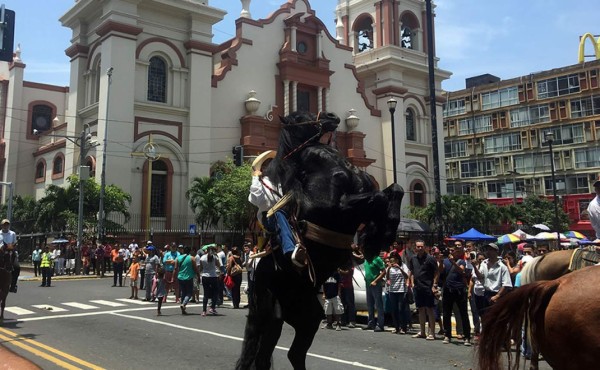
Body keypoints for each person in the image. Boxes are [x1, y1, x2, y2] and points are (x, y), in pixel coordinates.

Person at [248, 150, 307, 268]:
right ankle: (289, 249)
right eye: (268, 164)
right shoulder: (259, 183)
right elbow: (257, 200)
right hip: (269, 218)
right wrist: (255, 178)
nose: (273, 166)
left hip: (288, 216)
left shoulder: (281, 182)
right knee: (278, 213)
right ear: (263, 168)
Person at [440, 244, 472, 346]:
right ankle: (447, 334)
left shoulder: (461, 261)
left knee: (463, 313)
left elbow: (461, 270)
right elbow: (441, 272)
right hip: (448, 290)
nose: (452, 252)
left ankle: (467, 336)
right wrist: (440, 261)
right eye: (451, 250)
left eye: (454, 250)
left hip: (459, 290)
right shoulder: (445, 261)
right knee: (446, 313)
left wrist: (453, 262)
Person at [472, 242, 513, 319]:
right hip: (486, 293)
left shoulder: (502, 267)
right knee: (484, 317)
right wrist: (474, 267)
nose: (488, 251)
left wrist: (497, 296)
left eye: (491, 250)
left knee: (496, 318)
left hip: (497, 294)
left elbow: (506, 284)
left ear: (496, 252)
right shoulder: (484, 263)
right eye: (488, 249)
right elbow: (480, 277)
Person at [408, 240, 439, 341]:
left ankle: (432, 333)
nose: (420, 248)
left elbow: (436, 272)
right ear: (415, 248)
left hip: (428, 287)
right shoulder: (413, 258)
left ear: (425, 247)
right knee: (420, 309)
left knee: (430, 309)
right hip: (418, 287)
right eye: (418, 247)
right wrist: (412, 283)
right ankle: (422, 332)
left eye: (421, 246)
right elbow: (411, 271)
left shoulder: (430, 259)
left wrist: (434, 285)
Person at [386, 253, 410, 334]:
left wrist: (399, 268)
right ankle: (396, 327)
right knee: (394, 309)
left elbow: (407, 276)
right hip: (392, 290)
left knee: (401, 309)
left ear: (398, 259)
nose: (393, 261)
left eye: (395, 259)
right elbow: (387, 277)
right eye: (391, 260)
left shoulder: (403, 265)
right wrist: (389, 268)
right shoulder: (390, 267)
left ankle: (403, 327)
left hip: (401, 290)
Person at [363, 250, 386, 332]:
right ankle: (371, 323)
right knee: (369, 305)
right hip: (368, 284)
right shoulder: (366, 259)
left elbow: (384, 271)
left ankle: (380, 325)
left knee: (378, 305)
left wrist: (376, 281)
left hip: (375, 284)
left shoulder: (377, 259)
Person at [199, 245, 222, 316]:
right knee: (215, 292)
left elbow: (201, 268)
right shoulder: (215, 257)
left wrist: (199, 274)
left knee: (205, 294)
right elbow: (219, 266)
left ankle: (204, 311)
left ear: (206, 251)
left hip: (205, 276)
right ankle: (212, 307)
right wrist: (220, 273)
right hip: (213, 276)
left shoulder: (202, 258)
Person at [175, 246, 198, 314]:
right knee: (189, 293)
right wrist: (198, 275)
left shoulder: (178, 258)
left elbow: (175, 268)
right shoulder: (192, 258)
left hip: (180, 277)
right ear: (190, 251)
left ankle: (183, 309)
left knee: (183, 292)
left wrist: (175, 277)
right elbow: (195, 268)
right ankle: (184, 304)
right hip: (189, 277)